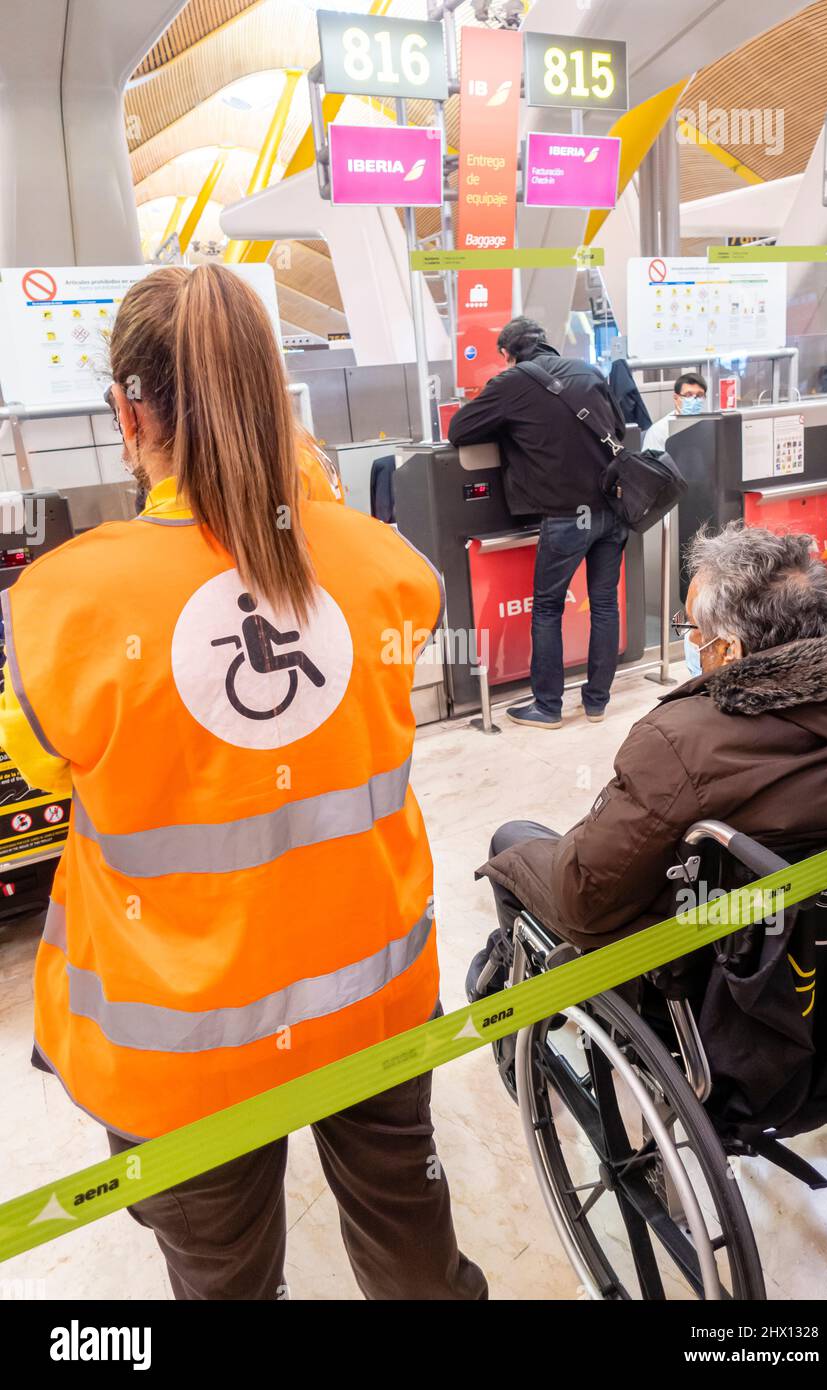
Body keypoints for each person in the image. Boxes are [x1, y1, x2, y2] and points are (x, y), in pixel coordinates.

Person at [0, 264, 485, 1302]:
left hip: (181, 1047)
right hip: (373, 998)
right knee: (414, 1248)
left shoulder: (60, 606)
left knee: (220, 1283)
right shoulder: (383, 564)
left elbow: (46, 764)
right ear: (277, 395)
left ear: (128, 411)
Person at [479, 523, 827, 950]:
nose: (690, 640)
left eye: (694, 629)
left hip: (698, 968)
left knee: (514, 841)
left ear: (728, 651)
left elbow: (585, 901)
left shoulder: (680, 742)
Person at [448, 317, 629, 730]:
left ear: (507, 355)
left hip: (566, 518)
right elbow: (618, 428)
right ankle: (596, 702)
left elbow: (459, 431)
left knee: (547, 609)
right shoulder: (589, 370)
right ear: (546, 343)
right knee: (604, 604)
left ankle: (548, 707)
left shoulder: (510, 383)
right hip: (613, 510)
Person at [642, 371, 707, 453]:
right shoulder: (658, 431)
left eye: (699, 395)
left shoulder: (708, 427)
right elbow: (650, 464)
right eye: (688, 395)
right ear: (676, 398)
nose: (694, 400)